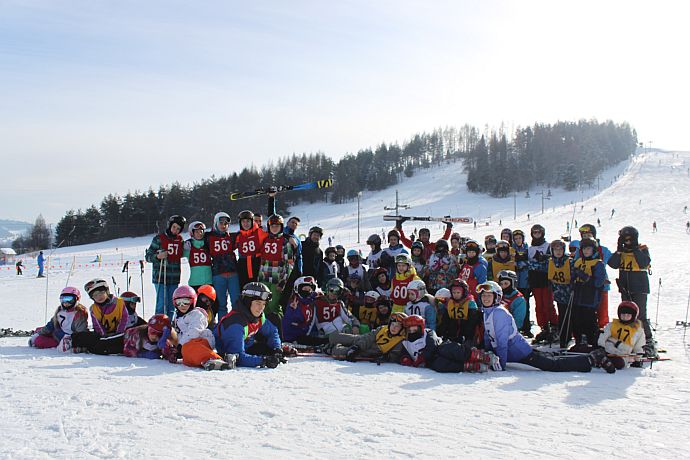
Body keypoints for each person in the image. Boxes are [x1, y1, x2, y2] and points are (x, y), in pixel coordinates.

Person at [477, 281, 609, 373]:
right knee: (550, 359)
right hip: (515, 353)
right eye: (483, 295)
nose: (486, 298)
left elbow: (502, 342)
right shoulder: (487, 312)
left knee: (553, 365)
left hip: (521, 352)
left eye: (489, 295)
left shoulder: (499, 313)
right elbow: (489, 337)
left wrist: (501, 364)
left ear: (496, 297)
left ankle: (590, 359)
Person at [607, 226, 655, 356]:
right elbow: (612, 264)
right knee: (626, 315)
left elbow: (644, 263)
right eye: (625, 240)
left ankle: (648, 341)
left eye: (630, 240)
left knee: (640, 316)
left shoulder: (642, 249)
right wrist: (618, 251)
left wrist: (634, 249)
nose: (627, 242)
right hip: (625, 287)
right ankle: (629, 339)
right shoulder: (621, 252)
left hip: (639, 287)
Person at [215, 282, 286, 369]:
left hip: (247, 347)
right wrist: (263, 360)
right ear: (248, 302)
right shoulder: (235, 324)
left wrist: (277, 348)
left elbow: (272, 331)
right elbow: (238, 357)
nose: (261, 308)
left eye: (263, 304)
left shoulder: (257, 317)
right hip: (233, 352)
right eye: (258, 303)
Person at [399, 314, 493, 373]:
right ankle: (467, 366)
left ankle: (478, 356)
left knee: (448, 349)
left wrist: (422, 357)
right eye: (409, 329)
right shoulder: (406, 342)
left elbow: (433, 345)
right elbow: (403, 354)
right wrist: (405, 359)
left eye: (414, 328)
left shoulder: (428, 333)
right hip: (431, 360)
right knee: (439, 365)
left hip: (439, 348)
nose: (412, 331)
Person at [170, 285, 232, 370]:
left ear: (193, 301)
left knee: (187, 349)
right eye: (178, 302)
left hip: (202, 339)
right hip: (189, 343)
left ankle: (215, 359)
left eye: (186, 301)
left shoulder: (197, 314)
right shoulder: (178, 318)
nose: (182, 305)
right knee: (186, 358)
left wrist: (180, 346)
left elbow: (194, 331)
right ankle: (206, 361)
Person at [257, 214, 298, 334]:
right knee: (263, 306)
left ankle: (279, 332)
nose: (274, 228)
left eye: (277, 226)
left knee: (274, 306)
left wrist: (282, 282)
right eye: (272, 226)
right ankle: (264, 333)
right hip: (263, 278)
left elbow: (289, 264)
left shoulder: (285, 242)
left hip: (276, 280)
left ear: (281, 227)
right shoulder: (265, 240)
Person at [71, 278, 129, 355]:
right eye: (95, 295)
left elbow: (124, 319)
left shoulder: (120, 303)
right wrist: (104, 336)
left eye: (101, 293)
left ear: (107, 291)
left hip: (121, 333)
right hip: (104, 336)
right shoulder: (94, 309)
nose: (99, 297)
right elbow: (97, 326)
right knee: (84, 337)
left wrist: (118, 334)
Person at [145, 215, 186, 318]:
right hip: (160, 277)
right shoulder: (159, 239)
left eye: (178, 229)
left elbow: (183, 253)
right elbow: (148, 256)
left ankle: (170, 326)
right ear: (170, 226)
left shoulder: (180, 240)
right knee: (162, 304)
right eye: (174, 227)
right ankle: (158, 325)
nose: (175, 230)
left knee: (172, 305)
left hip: (174, 277)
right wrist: (158, 256)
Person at [570, 237, 606, 350]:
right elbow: (572, 277)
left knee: (589, 319)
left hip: (590, 297)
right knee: (576, 319)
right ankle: (579, 340)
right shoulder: (579, 261)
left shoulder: (597, 264)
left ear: (593, 250)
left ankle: (592, 341)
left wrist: (585, 277)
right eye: (584, 248)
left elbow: (598, 282)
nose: (586, 251)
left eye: (589, 249)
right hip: (578, 295)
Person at [574, 224, 612, 328]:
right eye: (584, 235)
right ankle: (588, 331)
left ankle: (603, 330)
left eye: (589, 234)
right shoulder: (580, 250)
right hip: (585, 286)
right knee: (587, 311)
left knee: (602, 310)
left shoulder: (603, 249)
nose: (586, 237)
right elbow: (574, 264)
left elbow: (614, 262)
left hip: (601, 285)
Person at [328, 312, 408, 362]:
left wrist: (385, 357)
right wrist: (357, 347)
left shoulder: (400, 340)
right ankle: (325, 341)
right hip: (363, 341)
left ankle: (330, 348)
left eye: (397, 326)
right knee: (334, 336)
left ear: (402, 329)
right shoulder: (383, 328)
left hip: (371, 351)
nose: (394, 328)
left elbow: (395, 354)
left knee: (339, 352)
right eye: (393, 325)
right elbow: (369, 337)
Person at [29, 286, 89, 352]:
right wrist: (38, 334)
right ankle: (38, 336)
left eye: (69, 299)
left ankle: (60, 343)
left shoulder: (79, 314)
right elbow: (51, 324)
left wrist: (71, 341)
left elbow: (81, 331)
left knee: (39, 341)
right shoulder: (60, 311)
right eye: (63, 299)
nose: (66, 303)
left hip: (65, 338)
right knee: (38, 330)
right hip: (57, 332)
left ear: (76, 300)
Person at [207, 212, 240, 322]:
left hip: (233, 274)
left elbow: (247, 234)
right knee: (221, 303)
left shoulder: (232, 237)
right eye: (221, 223)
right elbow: (196, 239)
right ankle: (223, 326)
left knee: (236, 302)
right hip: (218, 275)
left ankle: (236, 324)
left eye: (226, 223)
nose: (223, 225)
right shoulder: (208, 237)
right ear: (216, 223)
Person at [527, 224, 558, 342]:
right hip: (535, 281)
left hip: (546, 280)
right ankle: (544, 327)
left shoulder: (548, 246)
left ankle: (554, 326)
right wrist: (535, 264)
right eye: (534, 233)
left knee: (548, 304)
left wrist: (543, 260)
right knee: (539, 305)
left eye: (538, 233)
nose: (537, 235)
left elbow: (551, 262)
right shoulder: (530, 249)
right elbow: (527, 264)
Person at [597, 301, 645, 372]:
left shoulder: (637, 330)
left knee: (620, 363)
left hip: (623, 354)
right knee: (595, 352)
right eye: (623, 314)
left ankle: (604, 362)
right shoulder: (613, 325)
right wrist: (600, 346)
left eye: (628, 315)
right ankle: (599, 358)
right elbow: (603, 335)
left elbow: (639, 346)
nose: (625, 317)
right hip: (608, 349)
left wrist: (638, 359)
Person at [282, 276, 328, 346]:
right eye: (305, 288)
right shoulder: (294, 303)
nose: (308, 291)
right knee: (323, 341)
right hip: (293, 338)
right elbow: (290, 323)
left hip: (306, 334)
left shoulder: (309, 302)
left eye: (310, 289)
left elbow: (312, 297)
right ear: (298, 289)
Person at [436, 278, 481, 345]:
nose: (456, 295)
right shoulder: (450, 303)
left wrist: (468, 338)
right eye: (454, 293)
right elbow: (445, 320)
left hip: (466, 334)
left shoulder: (470, 303)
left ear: (463, 292)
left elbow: (472, 323)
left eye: (458, 292)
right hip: (452, 333)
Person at [546, 240, 574, 347]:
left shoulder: (569, 261)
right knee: (562, 316)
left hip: (569, 293)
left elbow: (575, 273)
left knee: (570, 316)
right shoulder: (551, 261)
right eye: (555, 249)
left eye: (560, 249)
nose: (558, 252)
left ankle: (569, 337)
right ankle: (563, 338)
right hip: (558, 294)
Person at [234, 210, 267, 288]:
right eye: (243, 221)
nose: (246, 224)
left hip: (257, 263)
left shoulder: (259, 232)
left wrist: (289, 237)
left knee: (259, 288)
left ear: (252, 221)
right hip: (243, 265)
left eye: (248, 221)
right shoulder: (239, 235)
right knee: (244, 289)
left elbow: (274, 234)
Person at [183, 221, 213, 291]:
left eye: (201, 231)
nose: (199, 234)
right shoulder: (189, 245)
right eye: (197, 232)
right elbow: (179, 255)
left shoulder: (207, 243)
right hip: (194, 282)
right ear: (192, 233)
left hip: (209, 280)